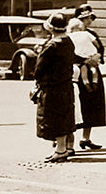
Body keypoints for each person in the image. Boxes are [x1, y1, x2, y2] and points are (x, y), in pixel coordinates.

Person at [34, 11, 77, 162]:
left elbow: (39, 69)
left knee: (54, 118)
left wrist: (38, 82)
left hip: (52, 87)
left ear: (50, 28)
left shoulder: (51, 46)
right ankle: (66, 147)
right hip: (66, 85)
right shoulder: (68, 42)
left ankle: (60, 150)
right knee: (65, 116)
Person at [68, 6, 106, 151]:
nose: (89, 21)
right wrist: (84, 60)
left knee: (91, 105)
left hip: (91, 71)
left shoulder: (91, 34)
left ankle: (86, 138)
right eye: (86, 18)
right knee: (75, 105)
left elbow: (100, 49)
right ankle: (67, 137)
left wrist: (97, 58)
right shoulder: (69, 36)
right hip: (75, 72)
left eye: (90, 18)